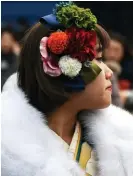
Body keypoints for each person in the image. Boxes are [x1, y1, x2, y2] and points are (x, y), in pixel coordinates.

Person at [1, 2, 133, 176]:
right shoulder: (7, 153)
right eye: (98, 59)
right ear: (63, 67)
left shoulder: (123, 138)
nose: (109, 72)